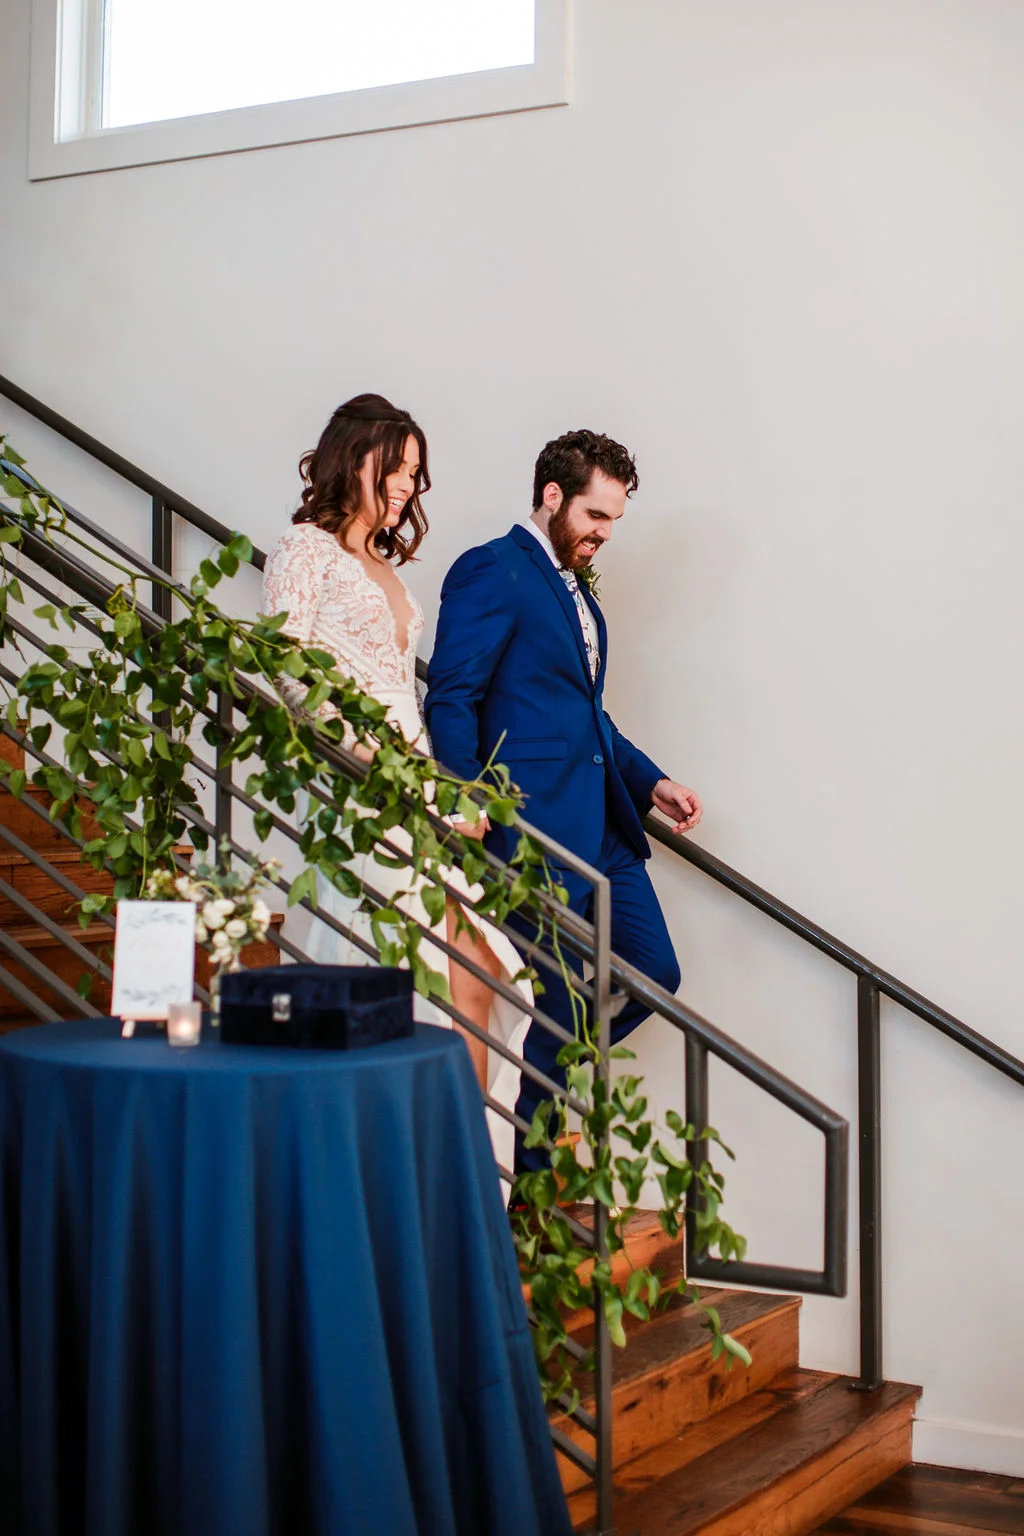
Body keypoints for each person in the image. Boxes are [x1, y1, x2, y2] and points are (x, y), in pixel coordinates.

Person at [261, 394, 531, 1176]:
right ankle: (428, 1185)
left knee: (478, 974)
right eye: (399, 468)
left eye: (417, 473)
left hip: (412, 783)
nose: (410, 486)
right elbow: (289, 677)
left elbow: (403, 694)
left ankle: (467, 1187)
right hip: (357, 787)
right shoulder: (303, 551)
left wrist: (446, 789)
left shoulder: (382, 563)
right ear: (357, 457)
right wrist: (382, 767)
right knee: (409, 983)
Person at [425, 428, 702, 1170]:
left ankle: (531, 1113)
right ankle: (527, 1175)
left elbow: (585, 713)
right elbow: (452, 700)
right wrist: (467, 802)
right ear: (552, 496)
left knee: (655, 975)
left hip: (603, 819)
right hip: (530, 828)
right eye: (596, 516)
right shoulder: (493, 571)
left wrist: (652, 782)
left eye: (613, 519)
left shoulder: (574, 589)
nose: (605, 534)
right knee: (550, 1001)